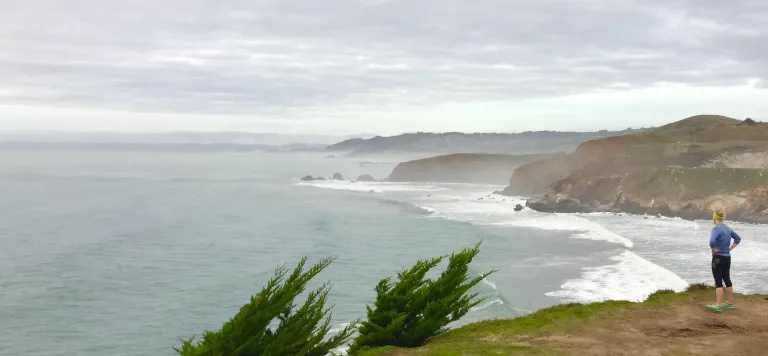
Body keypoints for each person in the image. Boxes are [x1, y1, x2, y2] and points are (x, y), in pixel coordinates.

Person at [706, 209, 742, 312]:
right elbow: (738, 239)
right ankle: (729, 303)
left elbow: (712, 242)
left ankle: (718, 305)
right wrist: (729, 249)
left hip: (718, 258)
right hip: (727, 257)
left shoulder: (716, 229)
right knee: (727, 279)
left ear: (715, 218)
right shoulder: (727, 229)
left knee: (718, 281)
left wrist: (713, 250)